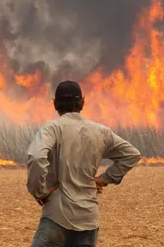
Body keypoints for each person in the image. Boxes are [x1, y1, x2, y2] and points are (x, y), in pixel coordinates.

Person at [27, 80, 141, 247]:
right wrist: (104, 178)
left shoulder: (51, 129)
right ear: (82, 102)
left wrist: (40, 191)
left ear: (55, 104)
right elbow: (131, 154)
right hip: (88, 218)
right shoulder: (100, 131)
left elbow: (37, 157)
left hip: (56, 216)